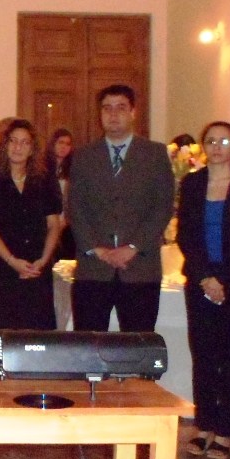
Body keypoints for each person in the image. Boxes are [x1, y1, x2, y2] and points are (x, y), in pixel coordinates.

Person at [175, 121, 230, 459]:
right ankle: (203, 426)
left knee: (229, 357)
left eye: (224, 141)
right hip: (200, 280)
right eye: (211, 141)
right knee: (202, 354)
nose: (217, 147)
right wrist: (205, 278)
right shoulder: (193, 183)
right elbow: (186, 235)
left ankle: (225, 429)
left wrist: (224, 281)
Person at [68, 84, 175, 333]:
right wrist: (98, 250)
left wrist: (133, 247)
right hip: (94, 269)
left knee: (137, 345)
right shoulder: (84, 156)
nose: (113, 114)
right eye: (107, 108)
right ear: (100, 114)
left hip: (140, 269)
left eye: (120, 108)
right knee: (89, 344)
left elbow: (162, 207)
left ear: (133, 112)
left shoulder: (155, 154)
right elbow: (75, 208)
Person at [0, 119, 63, 332]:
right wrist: (12, 261)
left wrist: (42, 261)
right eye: (13, 141)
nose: (18, 147)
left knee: (37, 335)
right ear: (5, 144)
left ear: (33, 148)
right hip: (2, 267)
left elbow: (54, 225)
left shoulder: (44, 178)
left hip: (37, 266)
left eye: (25, 142)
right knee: (3, 335)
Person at [46, 127, 75, 260]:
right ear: (53, 144)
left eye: (68, 144)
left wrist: (66, 219)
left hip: (68, 221)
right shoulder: (43, 167)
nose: (64, 147)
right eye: (60, 142)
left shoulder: (74, 168)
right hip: (49, 219)